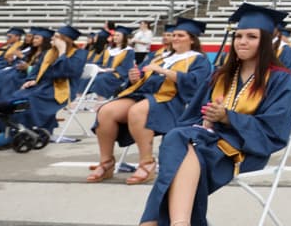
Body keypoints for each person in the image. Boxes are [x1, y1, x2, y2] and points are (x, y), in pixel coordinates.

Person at [66, 3, 291, 226]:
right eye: (239, 35)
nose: (242, 42)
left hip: (242, 149)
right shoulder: (221, 75)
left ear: (267, 41)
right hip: (203, 144)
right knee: (178, 139)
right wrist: (206, 122)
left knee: (174, 151)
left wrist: (229, 118)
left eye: (251, 36)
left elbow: (276, 131)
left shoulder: (280, 80)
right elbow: (190, 117)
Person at [88, 18, 212, 185]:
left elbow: (195, 83)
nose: (175, 38)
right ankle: (106, 162)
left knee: (137, 111)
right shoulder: (160, 56)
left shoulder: (198, 59)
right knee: (106, 111)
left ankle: (147, 163)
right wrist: (134, 78)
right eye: (174, 35)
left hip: (175, 102)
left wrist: (163, 71)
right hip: (145, 95)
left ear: (192, 39)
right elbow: (142, 75)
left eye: (180, 35)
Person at [0, 25, 86, 149]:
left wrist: (62, 52)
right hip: (43, 85)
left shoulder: (80, 54)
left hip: (62, 88)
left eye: (57, 37)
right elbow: (36, 70)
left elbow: (66, 72)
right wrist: (31, 80)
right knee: (15, 97)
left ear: (65, 40)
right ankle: (9, 131)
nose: (53, 38)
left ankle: (16, 133)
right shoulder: (48, 53)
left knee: (31, 99)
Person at [89, 26, 136, 100]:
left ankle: (100, 101)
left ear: (124, 37)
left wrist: (112, 69)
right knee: (87, 76)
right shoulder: (108, 48)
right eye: (114, 35)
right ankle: (78, 100)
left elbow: (127, 67)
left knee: (101, 78)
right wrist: (98, 67)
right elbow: (100, 62)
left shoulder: (129, 51)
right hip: (104, 72)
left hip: (118, 75)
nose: (115, 37)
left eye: (118, 35)